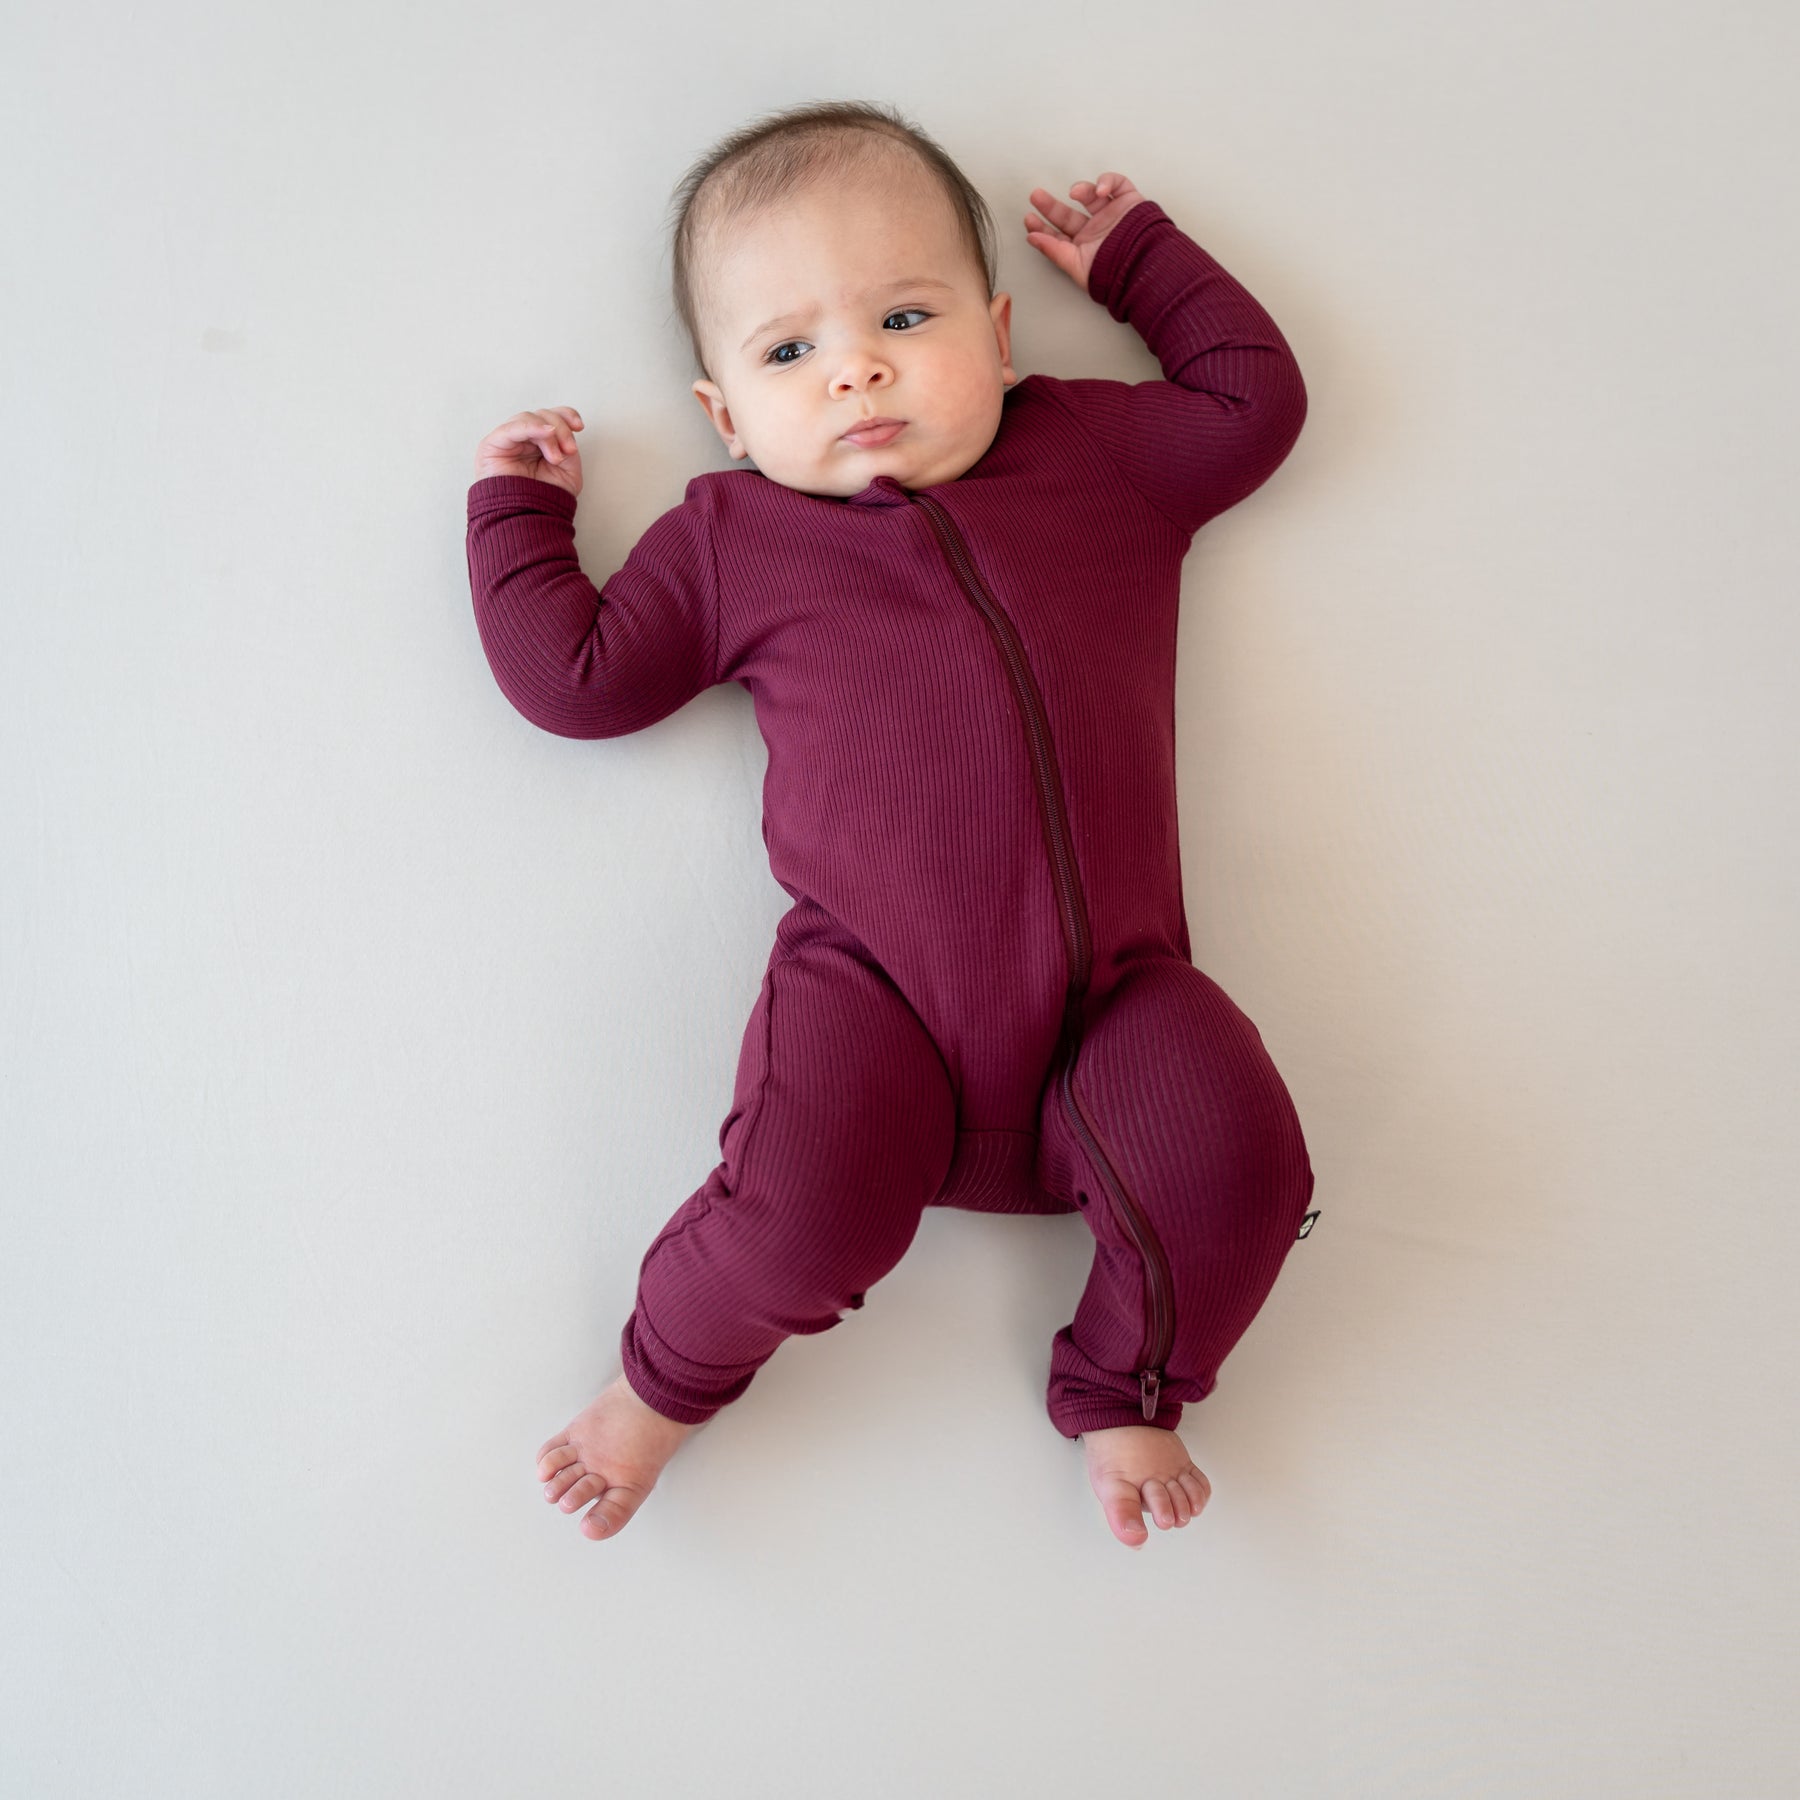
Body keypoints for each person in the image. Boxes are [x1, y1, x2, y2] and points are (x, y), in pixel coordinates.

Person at [466, 99, 1319, 1551]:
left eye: (904, 316)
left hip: (1120, 1002)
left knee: (1240, 1158)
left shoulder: (1090, 456)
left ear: (997, 336)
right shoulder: (734, 540)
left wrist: (1139, 262)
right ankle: (658, 1390)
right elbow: (579, 682)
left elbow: (1254, 400)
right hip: (877, 1005)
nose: (855, 366)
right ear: (728, 416)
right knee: (793, 1217)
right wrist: (517, 519)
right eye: (788, 350)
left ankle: (1129, 1385)